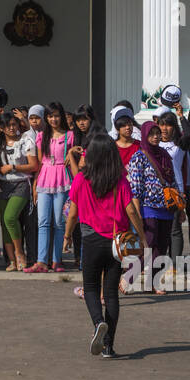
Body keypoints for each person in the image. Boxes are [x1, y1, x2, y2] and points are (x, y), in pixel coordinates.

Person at [63, 134, 144, 358]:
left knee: (90, 288)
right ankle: (108, 346)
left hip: (91, 240)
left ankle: (98, 322)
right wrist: (142, 235)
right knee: (111, 294)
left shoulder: (81, 179)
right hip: (116, 243)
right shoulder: (120, 180)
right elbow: (131, 210)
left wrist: (68, 236)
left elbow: (72, 213)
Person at [128, 120, 176, 294]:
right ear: (144, 136)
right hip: (148, 207)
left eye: (157, 133)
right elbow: (135, 187)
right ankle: (128, 278)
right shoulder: (139, 156)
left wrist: (180, 206)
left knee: (161, 247)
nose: (156, 137)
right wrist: (137, 211)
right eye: (152, 134)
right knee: (148, 244)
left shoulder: (164, 154)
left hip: (167, 208)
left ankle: (153, 283)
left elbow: (172, 180)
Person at [28, 102, 73, 274]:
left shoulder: (70, 136)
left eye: (56, 115)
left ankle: (56, 260)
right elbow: (39, 162)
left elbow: (74, 157)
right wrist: (35, 184)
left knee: (59, 222)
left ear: (61, 116)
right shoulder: (41, 136)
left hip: (62, 177)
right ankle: (41, 262)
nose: (53, 119)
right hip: (44, 178)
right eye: (50, 116)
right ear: (46, 118)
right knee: (43, 222)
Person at [0, 116, 38, 271]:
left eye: (13, 124)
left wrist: (13, 167)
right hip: (2, 184)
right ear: (1, 128)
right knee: (5, 224)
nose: (11, 128)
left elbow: (33, 165)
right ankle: (12, 261)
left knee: (10, 217)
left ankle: (20, 252)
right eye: (7, 125)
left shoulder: (26, 140)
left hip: (21, 184)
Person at [156, 111, 189, 260]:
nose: (164, 128)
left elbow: (188, 134)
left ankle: (175, 265)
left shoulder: (179, 145)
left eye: (168, 125)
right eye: (161, 124)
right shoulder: (154, 143)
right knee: (159, 229)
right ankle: (159, 262)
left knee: (175, 229)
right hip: (156, 191)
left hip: (175, 190)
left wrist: (181, 116)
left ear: (174, 127)